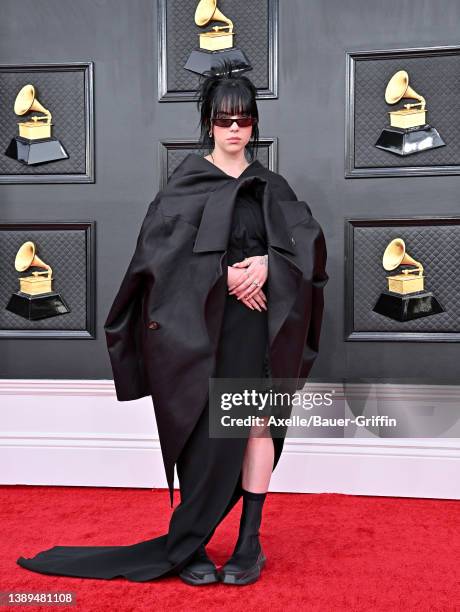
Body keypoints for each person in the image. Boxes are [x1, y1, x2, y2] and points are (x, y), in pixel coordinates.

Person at [17, 59, 328, 586]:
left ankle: (249, 544)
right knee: (196, 429)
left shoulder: (272, 185)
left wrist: (272, 264)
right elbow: (157, 261)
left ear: (255, 124)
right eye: (225, 119)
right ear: (208, 121)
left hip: (259, 332)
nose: (235, 129)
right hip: (199, 331)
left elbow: (308, 251)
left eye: (244, 119)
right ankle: (195, 541)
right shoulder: (185, 184)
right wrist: (224, 276)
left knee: (256, 426)